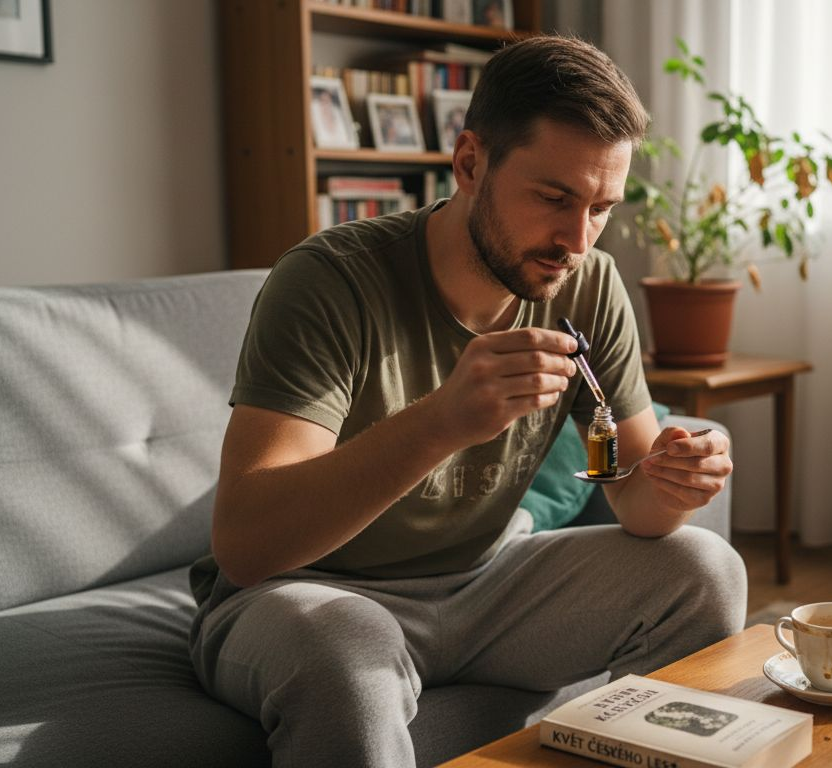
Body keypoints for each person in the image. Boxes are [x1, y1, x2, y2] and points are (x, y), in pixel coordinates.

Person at [188, 35, 746, 767]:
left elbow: (636, 501)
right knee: (348, 655)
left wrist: (676, 480)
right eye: (554, 198)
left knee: (704, 568)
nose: (576, 239)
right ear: (470, 162)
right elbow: (248, 544)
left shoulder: (589, 285)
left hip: (488, 584)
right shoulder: (329, 282)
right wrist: (439, 423)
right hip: (306, 596)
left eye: (601, 208)